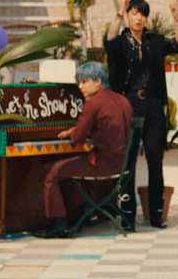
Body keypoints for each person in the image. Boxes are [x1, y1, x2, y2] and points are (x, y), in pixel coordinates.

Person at [105, 0, 178, 230]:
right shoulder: (121, 42)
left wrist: (176, 17)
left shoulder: (155, 41)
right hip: (128, 105)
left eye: (142, 14)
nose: (138, 18)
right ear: (128, 16)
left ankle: (156, 215)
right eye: (134, 13)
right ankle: (128, 216)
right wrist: (118, 13)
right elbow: (109, 40)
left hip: (153, 107)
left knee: (155, 160)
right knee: (128, 162)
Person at [35, 62, 132, 238]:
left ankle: (58, 225)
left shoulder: (94, 103)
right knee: (68, 168)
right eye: (79, 82)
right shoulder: (122, 100)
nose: (80, 86)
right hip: (121, 165)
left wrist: (72, 132)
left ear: (98, 82)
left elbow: (77, 138)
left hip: (102, 165)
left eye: (84, 81)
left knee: (53, 172)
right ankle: (78, 215)